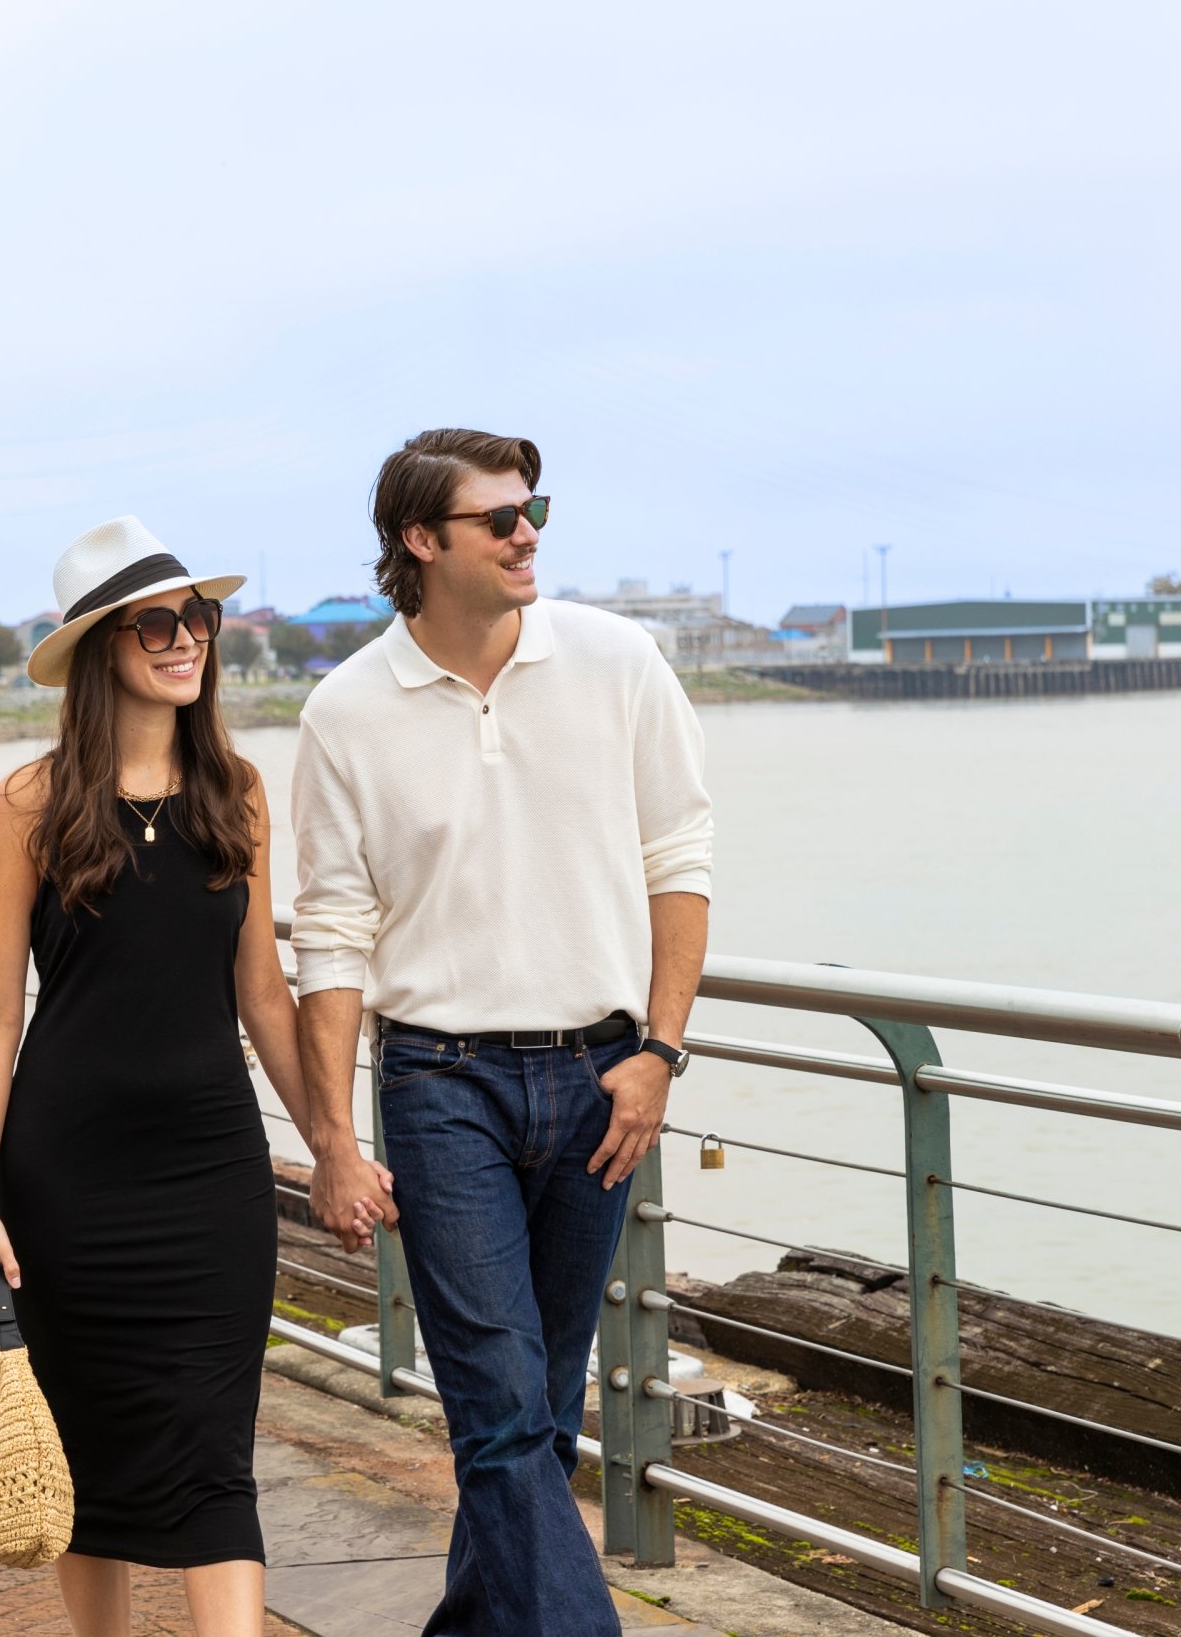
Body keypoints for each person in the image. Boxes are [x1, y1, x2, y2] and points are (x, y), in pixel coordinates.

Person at [292, 430, 713, 1636]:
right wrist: (327, 1133)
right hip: (439, 1084)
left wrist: (660, 1054)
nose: (528, 534)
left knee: (536, 1407)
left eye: (534, 511)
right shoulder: (346, 711)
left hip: (601, 1074)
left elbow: (677, 860)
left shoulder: (616, 660)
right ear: (421, 542)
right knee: (500, 1411)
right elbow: (330, 935)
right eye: (499, 519)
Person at [0, 516, 357, 1637]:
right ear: (102, 648)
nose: (187, 640)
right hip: (64, 1185)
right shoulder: (29, 804)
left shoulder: (235, 792)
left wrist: (333, 1143)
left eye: (199, 618)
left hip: (210, 1178)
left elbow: (264, 996)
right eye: (158, 623)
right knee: (85, 1459)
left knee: (211, 1453)